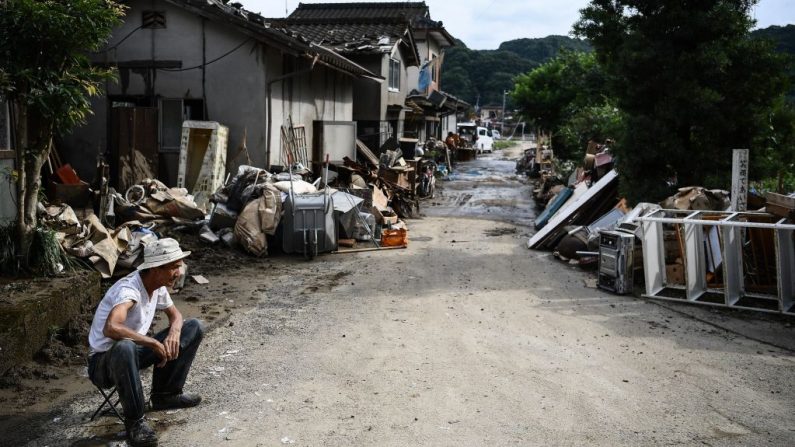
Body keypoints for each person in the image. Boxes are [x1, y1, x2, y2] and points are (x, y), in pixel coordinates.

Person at [87, 238, 205, 447]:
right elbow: (112, 327)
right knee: (125, 346)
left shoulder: (157, 285)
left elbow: (176, 315)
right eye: (174, 267)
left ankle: (165, 395)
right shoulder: (129, 290)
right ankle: (135, 422)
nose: (179, 272)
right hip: (103, 364)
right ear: (156, 268)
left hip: (132, 353)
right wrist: (153, 343)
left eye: (179, 266)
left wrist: (173, 334)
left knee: (193, 326)